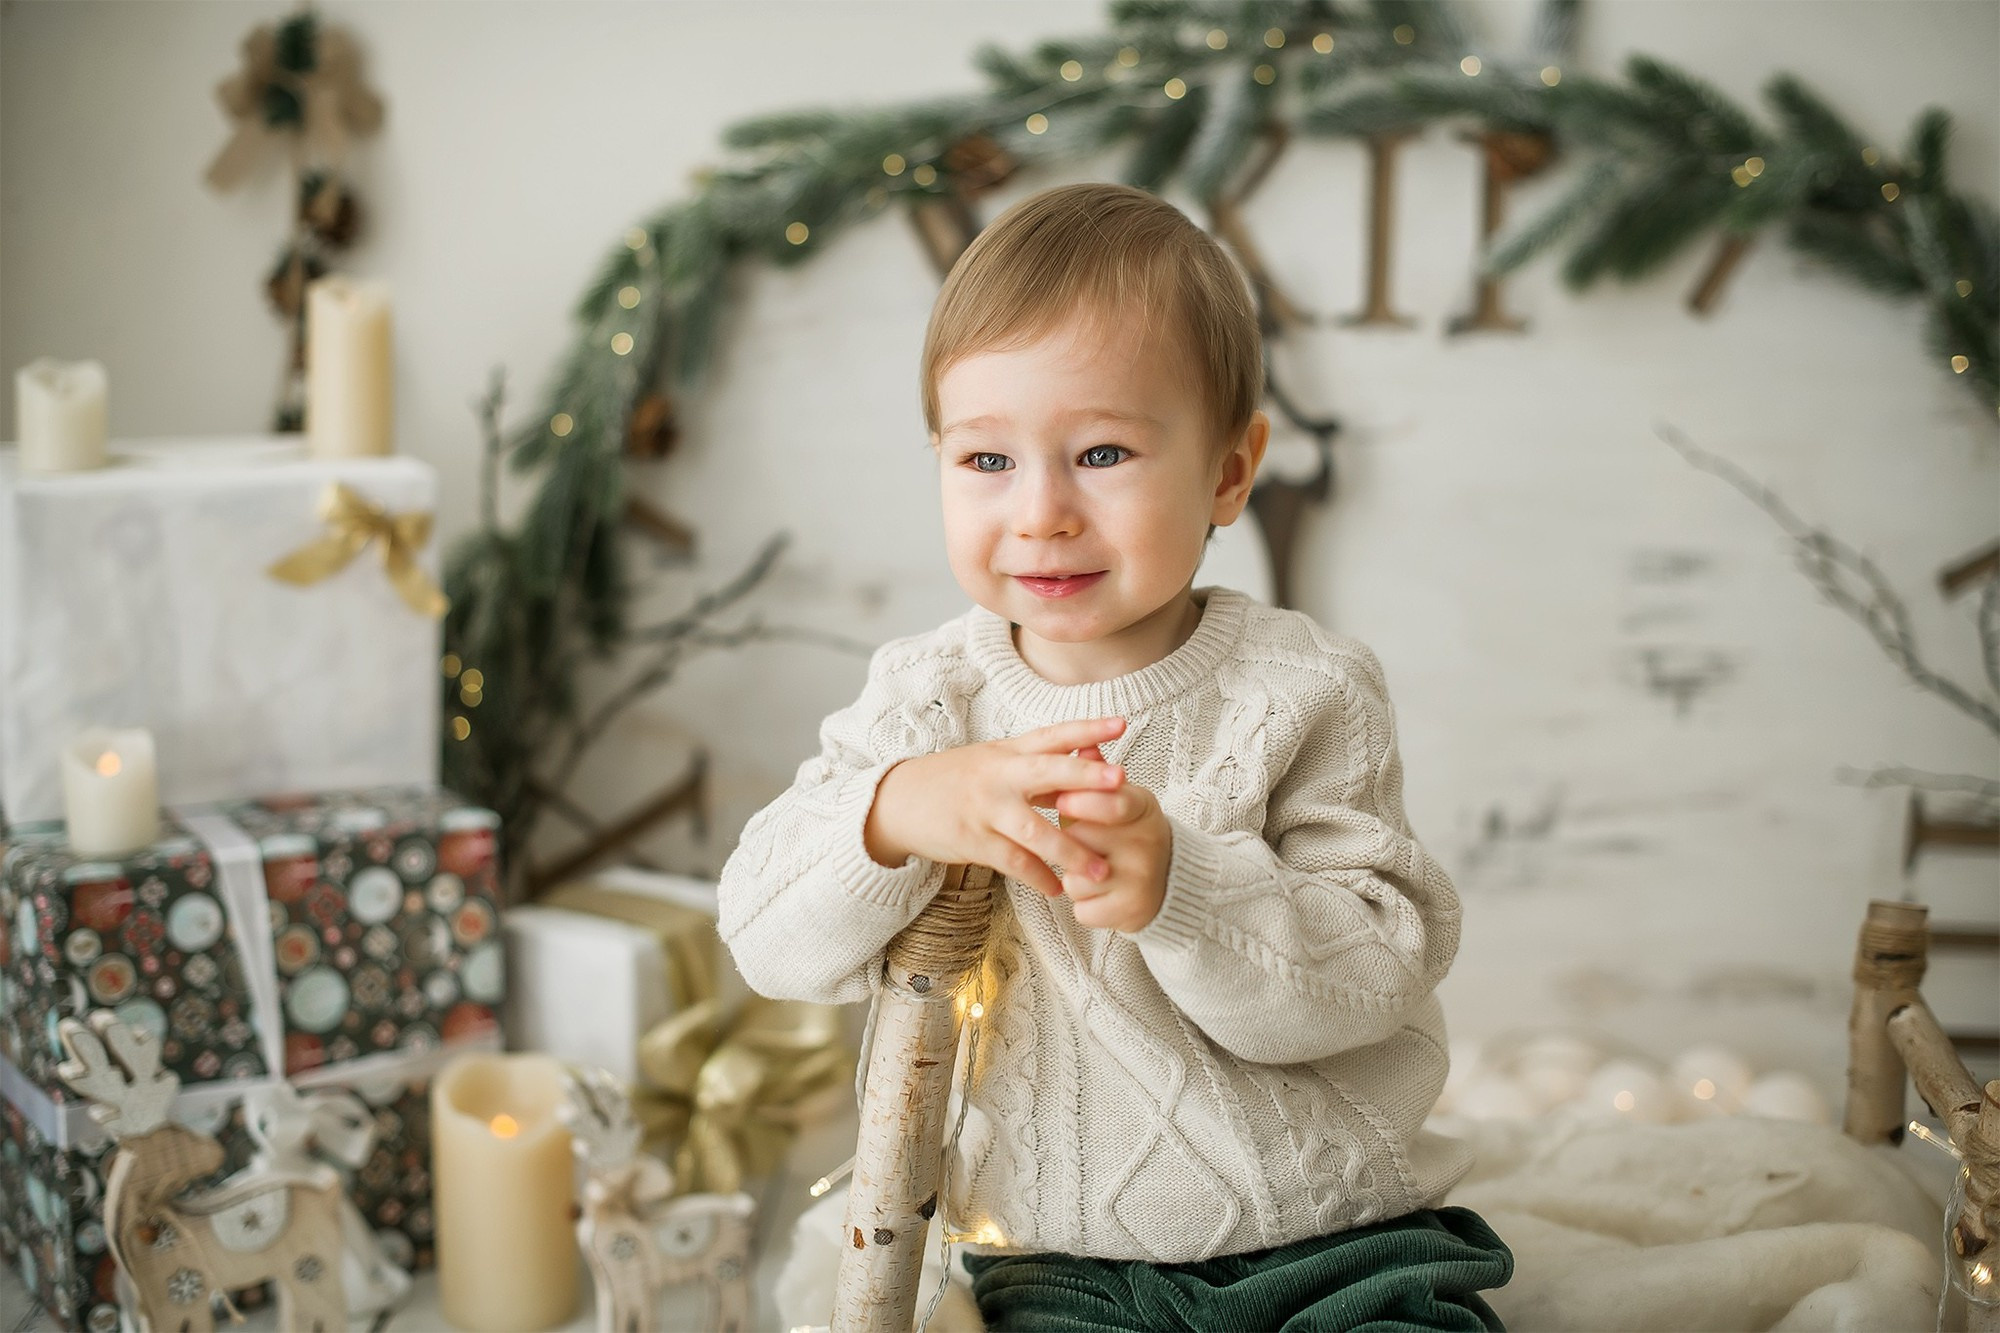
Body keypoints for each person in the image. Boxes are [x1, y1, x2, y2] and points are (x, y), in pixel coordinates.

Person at [717, 182, 1512, 1331]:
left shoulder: (1305, 689)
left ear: (1229, 472)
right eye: (986, 460)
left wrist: (1181, 888)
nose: (1040, 511)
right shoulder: (929, 699)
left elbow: (1379, 965)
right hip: (1060, 1252)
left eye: (1099, 452)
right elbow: (761, 934)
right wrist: (892, 810)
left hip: (1335, 1226)